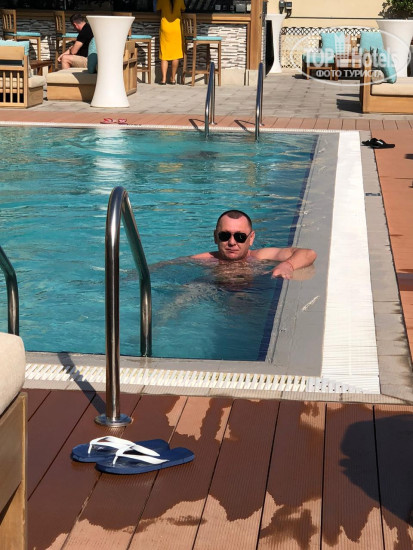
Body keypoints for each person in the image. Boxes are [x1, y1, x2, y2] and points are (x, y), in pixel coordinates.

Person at [191, 209, 317, 279]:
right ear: (215, 237)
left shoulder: (259, 257)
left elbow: (308, 254)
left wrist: (287, 265)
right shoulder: (201, 260)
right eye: (225, 236)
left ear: (251, 238)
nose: (232, 242)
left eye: (240, 237)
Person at [156, 0, 186, 85]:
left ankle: (163, 79)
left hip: (165, 27)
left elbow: (158, 10)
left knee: (164, 54)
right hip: (176, 28)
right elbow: (183, 9)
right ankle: (173, 78)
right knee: (175, 54)